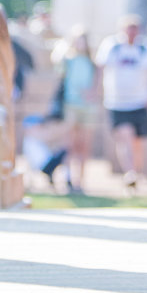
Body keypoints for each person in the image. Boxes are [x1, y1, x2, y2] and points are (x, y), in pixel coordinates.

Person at [95, 15, 147, 189]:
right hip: (117, 101)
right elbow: (101, 68)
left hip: (139, 100)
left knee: (137, 141)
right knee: (125, 136)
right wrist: (98, 90)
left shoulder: (145, 46)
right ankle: (130, 172)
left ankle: (136, 173)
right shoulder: (112, 45)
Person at [53, 27, 100, 194]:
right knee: (70, 145)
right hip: (70, 105)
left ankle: (81, 181)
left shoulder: (93, 63)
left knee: (84, 145)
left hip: (87, 107)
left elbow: (97, 84)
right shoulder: (67, 60)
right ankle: (68, 178)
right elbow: (58, 73)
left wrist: (91, 93)